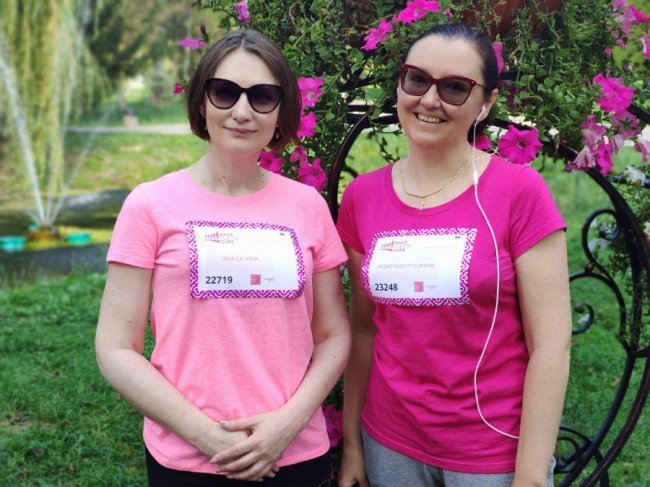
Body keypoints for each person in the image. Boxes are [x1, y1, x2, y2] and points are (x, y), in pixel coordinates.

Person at [95, 29, 351, 486]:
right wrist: (207, 436)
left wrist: (287, 424)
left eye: (262, 96)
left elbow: (333, 335)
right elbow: (116, 348)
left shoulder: (307, 207)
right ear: (201, 103)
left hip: (294, 454)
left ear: (281, 111)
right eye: (224, 92)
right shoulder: (150, 205)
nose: (242, 111)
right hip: (189, 459)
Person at [336, 23, 571, 487]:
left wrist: (530, 475)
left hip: (491, 452)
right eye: (417, 79)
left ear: (486, 103)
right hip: (390, 444)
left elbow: (552, 346)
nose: (429, 99)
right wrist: (353, 445)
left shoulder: (518, 192)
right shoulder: (363, 197)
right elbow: (363, 331)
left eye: (455, 87)